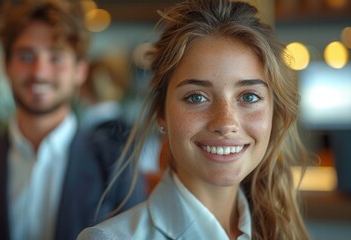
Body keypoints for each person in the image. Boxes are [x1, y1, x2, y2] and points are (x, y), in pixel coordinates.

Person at [77, 0, 310, 239]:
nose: (225, 123)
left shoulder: (282, 232)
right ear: (161, 112)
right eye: (197, 97)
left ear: (274, 111)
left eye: (249, 96)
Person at [0, 1, 145, 240]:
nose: (39, 72)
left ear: (80, 70)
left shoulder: (117, 168)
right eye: (26, 56)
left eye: (56, 58)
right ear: (6, 66)